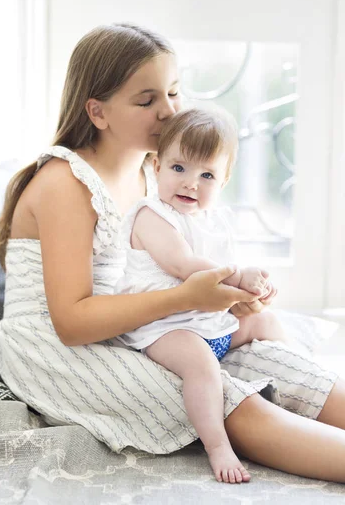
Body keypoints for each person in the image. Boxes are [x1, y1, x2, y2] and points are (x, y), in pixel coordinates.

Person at [0, 22, 345, 485]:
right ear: (98, 112)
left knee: (277, 358)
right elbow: (71, 324)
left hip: (139, 323)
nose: (169, 111)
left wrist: (224, 296)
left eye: (174, 93)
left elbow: (164, 268)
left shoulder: (149, 173)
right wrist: (186, 298)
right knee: (224, 396)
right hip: (59, 348)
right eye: (147, 100)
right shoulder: (65, 185)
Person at [114, 107, 288, 482]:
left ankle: (292, 380)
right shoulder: (151, 214)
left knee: (266, 321)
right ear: (156, 166)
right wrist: (240, 277)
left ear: (223, 182)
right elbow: (182, 263)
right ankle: (218, 446)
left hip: (211, 323)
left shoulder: (216, 219)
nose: (191, 183)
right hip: (164, 327)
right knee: (202, 366)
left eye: (206, 174)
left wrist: (254, 290)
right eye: (179, 168)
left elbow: (224, 270)